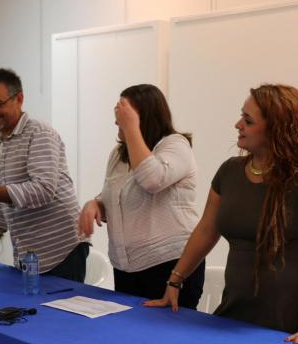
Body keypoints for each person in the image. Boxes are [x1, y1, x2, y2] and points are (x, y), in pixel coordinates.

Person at [144, 84, 298, 344]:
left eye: (248, 120)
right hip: (238, 310)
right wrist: (175, 281)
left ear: (277, 130)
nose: (238, 124)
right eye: (241, 116)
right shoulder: (230, 171)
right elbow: (206, 229)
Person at [77, 84, 205, 306]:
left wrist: (131, 128)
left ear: (144, 116)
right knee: (132, 335)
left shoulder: (176, 145)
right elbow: (114, 197)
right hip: (127, 267)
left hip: (171, 265)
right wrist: (95, 204)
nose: (117, 120)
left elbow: (152, 180)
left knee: (169, 336)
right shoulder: (119, 153)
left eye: (125, 113)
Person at [0, 68, 88, 282]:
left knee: (59, 314)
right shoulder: (0, 143)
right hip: (29, 254)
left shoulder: (39, 133)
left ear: (19, 99)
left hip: (61, 252)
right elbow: (2, 200)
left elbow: (43, 190)